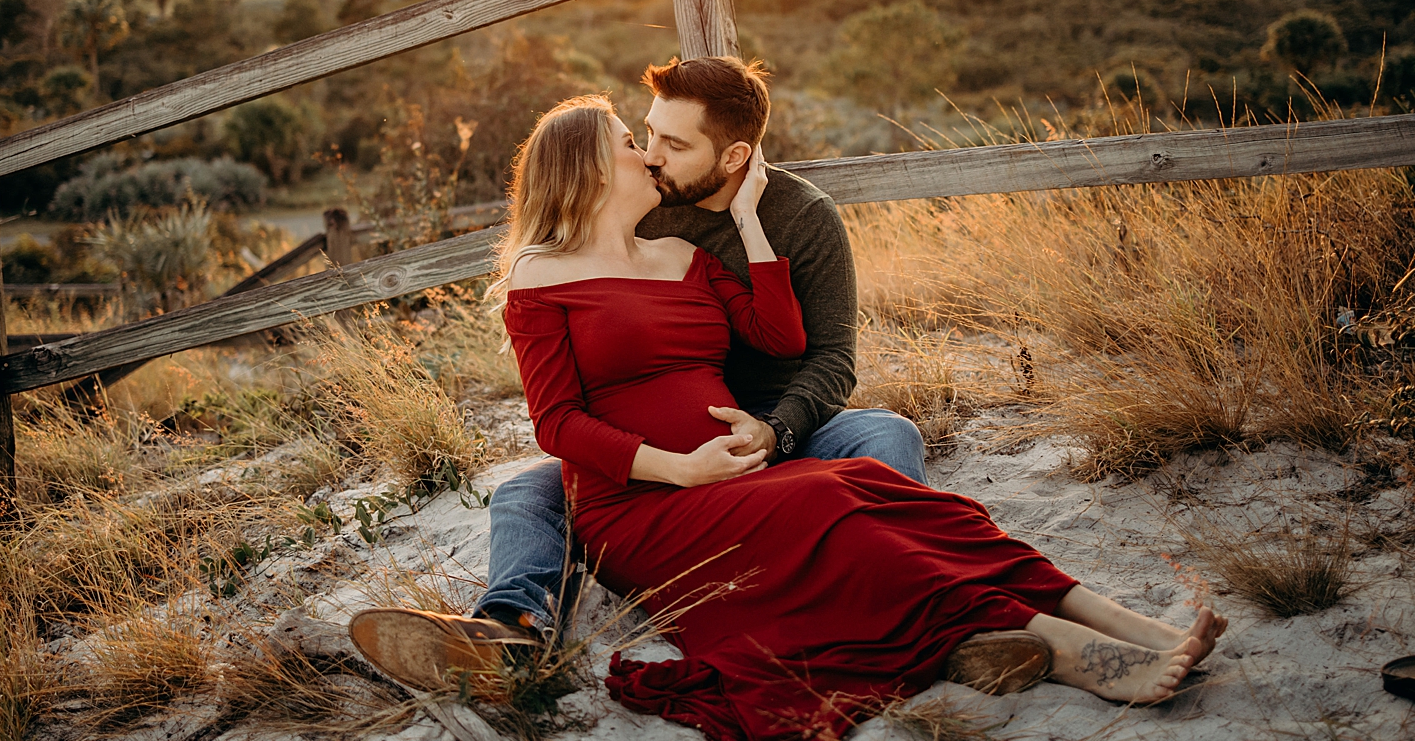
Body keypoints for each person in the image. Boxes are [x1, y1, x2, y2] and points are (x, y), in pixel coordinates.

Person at [358, 95, 1223, 741]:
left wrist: (747, 220)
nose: (647, 154)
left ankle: (1127, 623)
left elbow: (784, 334)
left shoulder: (683, 251)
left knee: (890, 488)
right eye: (632, 142)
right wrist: (681, 464)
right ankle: (1066, 651)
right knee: (829, 498)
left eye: (655, 141)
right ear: (587, 166)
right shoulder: (542, 277)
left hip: (745, 473)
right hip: (645, 503)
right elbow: (558, 425)